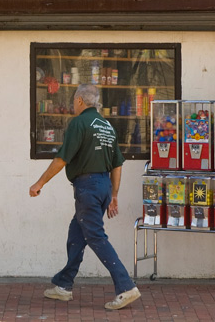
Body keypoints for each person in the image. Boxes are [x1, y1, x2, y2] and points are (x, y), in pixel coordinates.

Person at [29, 84, 141, 310]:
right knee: (77, 234)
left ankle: (126, 286)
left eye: (73, 100)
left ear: (80, 100)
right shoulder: (107, 126)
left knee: (96, 237)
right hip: (103, 186)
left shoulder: (79, 123)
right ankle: (63, 285)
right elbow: (117, 163)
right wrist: (114, 194)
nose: (72, 104)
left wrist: (40, 182)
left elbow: (62, 159)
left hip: (87, 187)